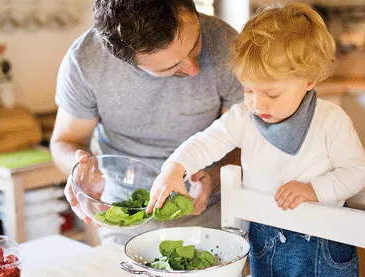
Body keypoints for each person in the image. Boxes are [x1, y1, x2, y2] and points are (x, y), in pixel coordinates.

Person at [146, 3, 365, 277]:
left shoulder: (331, 120)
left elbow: (358, 171)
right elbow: (206, 142)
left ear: (308, 80)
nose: (257, 103)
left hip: (324, 241)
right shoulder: (243, 117)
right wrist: (176, 167)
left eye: (271, 94)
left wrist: (314, 190)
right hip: (267, 239)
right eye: (248, 89)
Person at [50, 0, 244, 245]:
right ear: (126, 60)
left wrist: (214, 179)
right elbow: (65, 141)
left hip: (212, 212)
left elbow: (246, 138)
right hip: (125, 213)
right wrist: (79, 169)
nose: (193, 69)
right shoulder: (86, 60)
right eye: (172, 66)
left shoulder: (227, 45)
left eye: (195, 44)